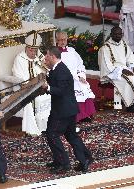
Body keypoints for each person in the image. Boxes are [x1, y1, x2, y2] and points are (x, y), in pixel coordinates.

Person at [42, 46, 93, 174]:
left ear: (53, 57)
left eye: (47, 56)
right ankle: (85, 158)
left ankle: (63, 163)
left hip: (63, 111)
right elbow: (55, 83)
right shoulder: (57, 68)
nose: (45, 58)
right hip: (67, 109)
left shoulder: (62, 71)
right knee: (71, 136)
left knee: (52, 134)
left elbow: (61, 91)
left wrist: (47, 87)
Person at [98, 26, 134, 113]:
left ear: (122, 34)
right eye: (115, 34)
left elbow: (130, 58)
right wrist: (121, 71)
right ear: (111, 34)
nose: (118, 36)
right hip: (113, 72)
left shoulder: (124, 45)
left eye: (120, 34)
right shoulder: (105, 48)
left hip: (125, 68)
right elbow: (106, 65)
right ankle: (130, 105)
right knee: (128, 80)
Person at [12, 31, 51, 136]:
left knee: (53, 94)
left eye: (35, 50)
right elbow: (19, 77)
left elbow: (46, 70)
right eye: (31, 50)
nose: (33, 53)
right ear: (26, 48)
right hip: (26, 88)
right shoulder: (19, 59)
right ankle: (36, 129)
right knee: (34, 100)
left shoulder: (38, 57)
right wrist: (33, 85)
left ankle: (50, 126)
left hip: (41, 86)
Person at [56, 31, 96, 123]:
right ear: (56, 40)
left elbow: (80, 64)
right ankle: (76, 117)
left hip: (77, 77)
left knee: (84, 87)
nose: (63, 42)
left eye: (64, 39)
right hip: (64, 79)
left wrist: (81, 75)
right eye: (60, 40)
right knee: (73, 92)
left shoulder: (72, 50)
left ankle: (85, 115)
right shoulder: (55, 52)